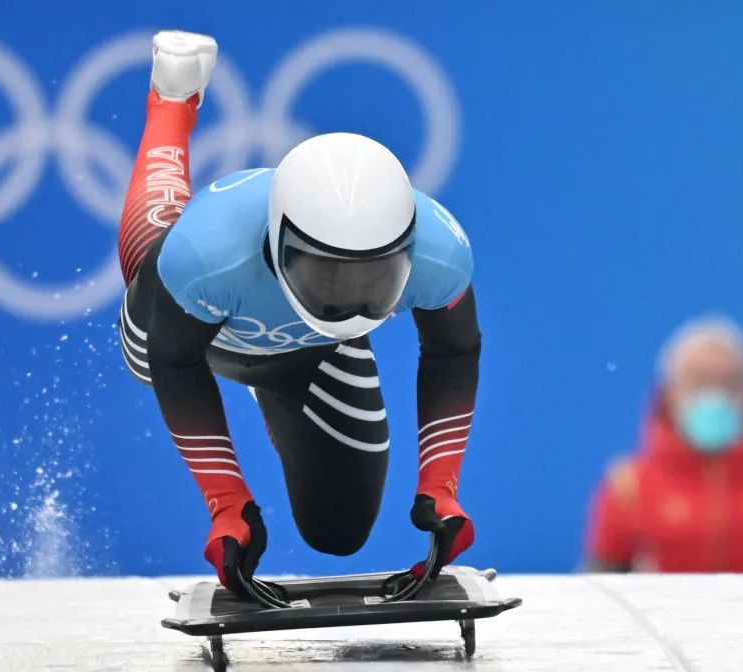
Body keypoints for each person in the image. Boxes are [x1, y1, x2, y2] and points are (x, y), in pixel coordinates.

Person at [116, 31, 480, 596]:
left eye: (375, 276)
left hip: (311, 351)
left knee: (339, 529)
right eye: (328, 275)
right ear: (277, 241)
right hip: (189, 336)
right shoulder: (206, 258)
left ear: (408, 251)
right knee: (148, 300)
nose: (351, 296)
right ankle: (171, 103)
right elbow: (175, 364)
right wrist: (227, 504)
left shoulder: (441, 253)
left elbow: (455, 351)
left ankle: (280, 398)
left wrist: (441, 486)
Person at [584, 316, 743, 572]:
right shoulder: (629, 485)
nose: (714, 394)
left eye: (730, 381)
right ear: (669, 391)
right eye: (698, 380)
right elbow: (601, 584)